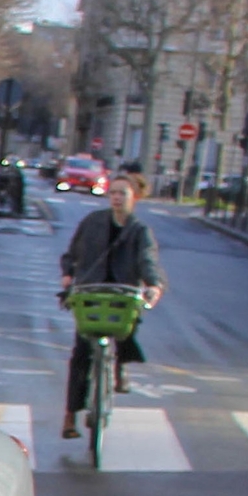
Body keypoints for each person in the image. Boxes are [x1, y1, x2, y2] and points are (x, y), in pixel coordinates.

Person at [57, 173, 166, 437]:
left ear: (134, 197)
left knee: (128, 323)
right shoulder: (93, 222)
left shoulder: (140, 231)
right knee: (81, 352)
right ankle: (70, 416)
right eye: (113, 193)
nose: (116, 198)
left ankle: (119, 366)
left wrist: (153, 285)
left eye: (122, 193)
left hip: (122, 292)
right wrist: (69, 273)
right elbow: (72, 253)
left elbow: (147, 261)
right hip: (91, 290)